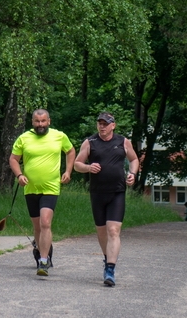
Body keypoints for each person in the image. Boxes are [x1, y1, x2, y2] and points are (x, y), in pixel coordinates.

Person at [74, 111, 139, 287]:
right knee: (102, 232)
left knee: (113, 231)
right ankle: (106, 258)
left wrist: (132, 174)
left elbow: (134, 159)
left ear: (113, 125)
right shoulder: (90, 142)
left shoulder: (123, 141)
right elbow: (77, 164)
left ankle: (110, 269)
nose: (102, 126)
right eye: (100, 123)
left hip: (117, 192)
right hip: (97, 193)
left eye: (105, 123)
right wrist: (88, 167)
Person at [9, 109, 76, 277]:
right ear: (32, 122)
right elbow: (13, 159)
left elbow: (70, 151)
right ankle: (42, 250)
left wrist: (68, 171)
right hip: (30, 188)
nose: (40, 124)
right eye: (37, 121)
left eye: (43, 121)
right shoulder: (24, 138)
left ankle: (43, 261)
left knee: (46, 223)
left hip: (51, 187)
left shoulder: (59, 136)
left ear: (49, 121)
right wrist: (20, 175)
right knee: (38, 226)